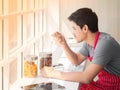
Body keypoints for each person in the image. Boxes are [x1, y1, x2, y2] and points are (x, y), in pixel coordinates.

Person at [41, 7, 120, 90]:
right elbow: (76, 60)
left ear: (85, 28)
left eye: (75, 29)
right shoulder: (89, 43)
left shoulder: (104, 44)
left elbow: (86, 78)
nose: (73, 33)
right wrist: (64, 44)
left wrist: (53, 74)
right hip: (104, 84)